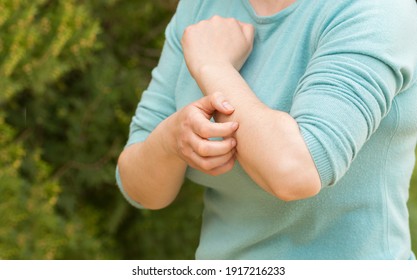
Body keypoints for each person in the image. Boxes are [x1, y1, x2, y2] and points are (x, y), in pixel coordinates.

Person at [116, 0, 417, 259]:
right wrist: (172, 139)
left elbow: (296, 172)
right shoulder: (201, 7)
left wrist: (212, 65)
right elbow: (140, 189)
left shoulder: (376, 10)